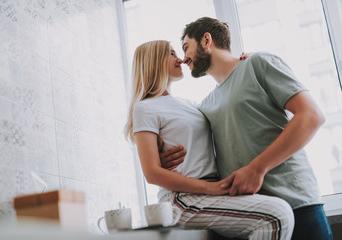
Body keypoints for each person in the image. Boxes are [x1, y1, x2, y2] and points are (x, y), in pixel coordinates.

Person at [160, 17, 333, 240]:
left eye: (186, 47)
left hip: (295, 203)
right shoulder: (205, 105)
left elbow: (311, 116)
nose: (184, 58)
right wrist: (166, 160)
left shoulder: (257, 63)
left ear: (206, 40)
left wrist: (256, 169)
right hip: (249, 218)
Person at [125, 40, 294, 240]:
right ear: (154, 60)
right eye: (171, 53)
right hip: (182, 199)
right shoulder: (145, 108)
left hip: (210, 193)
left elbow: (223, 102)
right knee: (276, 215)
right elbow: (152, 173)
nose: (180, 58)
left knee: (278, 211)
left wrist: (245, 68)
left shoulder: (192, 105)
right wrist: (210, 188)